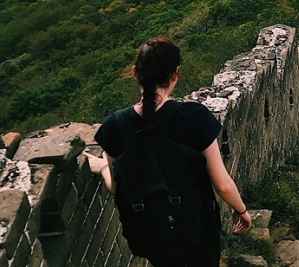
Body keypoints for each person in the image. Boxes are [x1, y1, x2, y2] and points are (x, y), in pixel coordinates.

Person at [84, 38, 252, 267]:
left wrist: (103, 166)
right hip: (197, 229)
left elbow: (118, 187)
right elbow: (222, 183)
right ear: (175, 75)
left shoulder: (114, 126)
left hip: (152, 235)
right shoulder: (194, 117)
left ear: (135, 73)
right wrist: (241, 210)